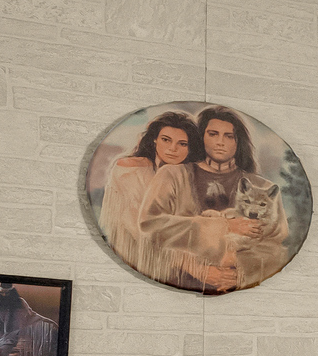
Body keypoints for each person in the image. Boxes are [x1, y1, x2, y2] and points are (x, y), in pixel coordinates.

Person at [141, 103, 287, 293]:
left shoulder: (264, 188)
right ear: (201, 137)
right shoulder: (172, 175)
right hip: (172, 285)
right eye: (213, 134)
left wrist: (239, 275)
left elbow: (277, 245)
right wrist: (197, 268)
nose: (220, 142)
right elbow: (149, 226)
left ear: (238, 142)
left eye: (229, 136)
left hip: (239, 292)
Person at [101, 112, 193, 268]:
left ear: (190, 149)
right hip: (135, 257)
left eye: (182, 144)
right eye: (166, 140)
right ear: (155, 139)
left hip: (172, 261)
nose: (173, 149)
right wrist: (189, 266)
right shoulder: (131, 168)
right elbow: (139, 227)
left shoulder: (188, 176)